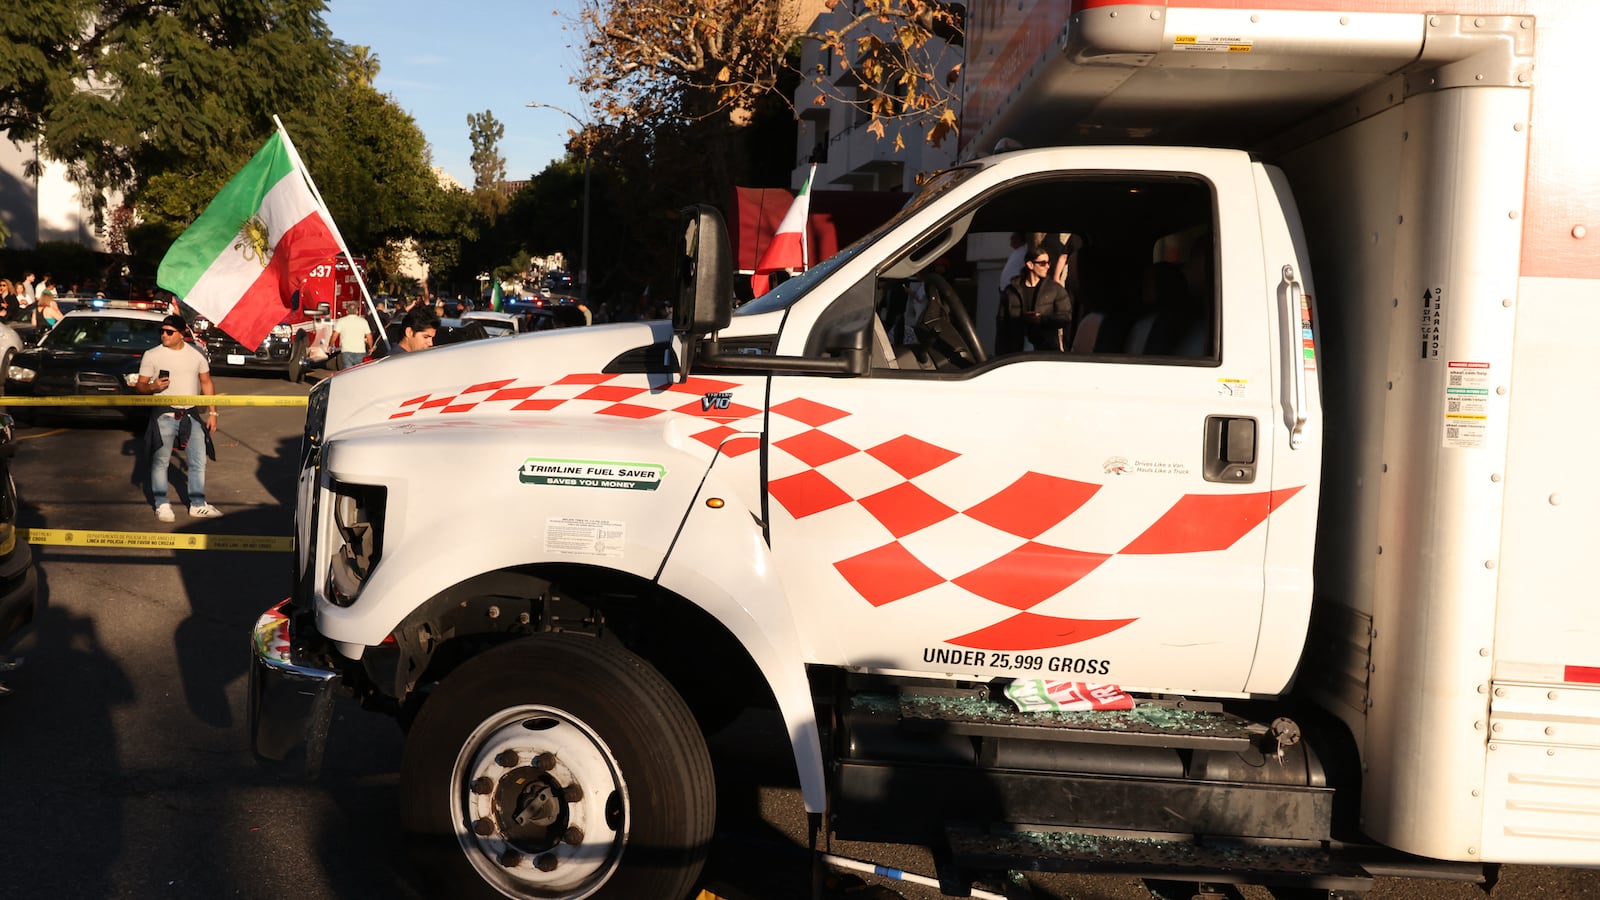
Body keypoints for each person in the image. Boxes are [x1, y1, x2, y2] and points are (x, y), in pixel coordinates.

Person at [135, 315, 221, 521]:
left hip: (190, 414)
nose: (164, 335)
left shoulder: (196, 354)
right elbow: (140, 386)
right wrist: (153, 387)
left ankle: (198, 504)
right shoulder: (152, 355)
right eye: (162, 331)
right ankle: (161, 503)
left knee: (198, 461)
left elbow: (206, 382)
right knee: (160, 461)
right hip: (163, 413)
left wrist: (213, 413)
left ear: (182, 334)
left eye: (169, 332)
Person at [997, 244, 1074, 354]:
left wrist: (1042, 320)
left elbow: (1066, 317)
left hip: (1046, 352)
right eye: (1042, 263)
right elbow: (1001, 325)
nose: (1047, 266)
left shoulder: (1055, 289)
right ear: (1030, 265)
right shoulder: (1011, 291)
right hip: (1015, 354)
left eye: (1048, 263)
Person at [331, 303, 374, 369]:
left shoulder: (341, 321)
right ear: (357, 311)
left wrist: (330, 345)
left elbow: (335, 335)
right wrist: (371, 347)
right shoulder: (363, 321)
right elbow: (369, 336)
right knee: (359, 371)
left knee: (348, 371)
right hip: (360, 350)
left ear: (347, 311)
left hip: (346, 351)